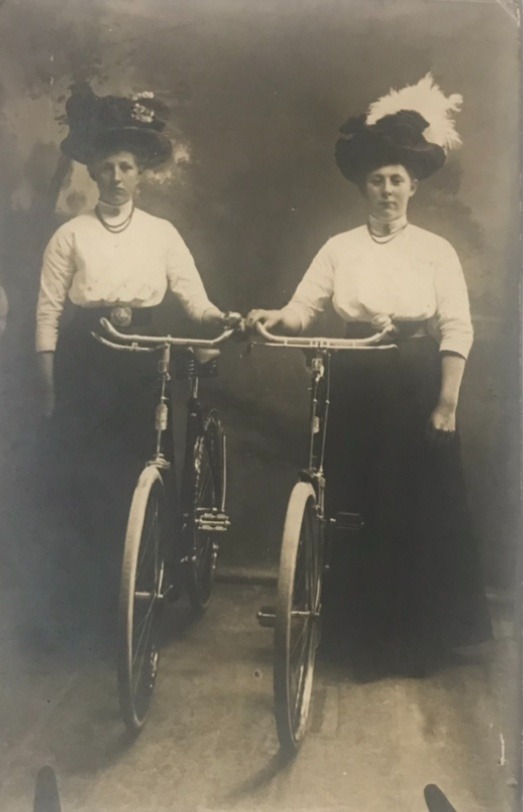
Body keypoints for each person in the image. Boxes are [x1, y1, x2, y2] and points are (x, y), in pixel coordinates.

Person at [247, 74, 492, 675]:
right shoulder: (339, 248)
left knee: (410, 508)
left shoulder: (436, 250)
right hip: (351, 383)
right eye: (378, 180)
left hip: (413, 385)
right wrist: (276, 317)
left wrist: (446, 403)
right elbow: (303, 308)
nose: (387, 190)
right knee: (351, 505)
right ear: (364, 186)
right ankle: (357, 639)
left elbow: (456, 328)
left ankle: (413, 642)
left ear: (414, 186)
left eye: (397, 180)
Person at [34, 88, 229, 636]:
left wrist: (219, 320)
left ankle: (140, 601)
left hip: (145, 361)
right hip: (84, 361)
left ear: (141, 172)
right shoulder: (70, 235)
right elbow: (48, 314)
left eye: (126, 167)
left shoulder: (162, 234)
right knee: (80, 482)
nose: (116, 177)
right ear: (92, 171)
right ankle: (83, 613)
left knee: (141, 474)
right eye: (107, 167)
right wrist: (48, 389)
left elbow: (193, 298)